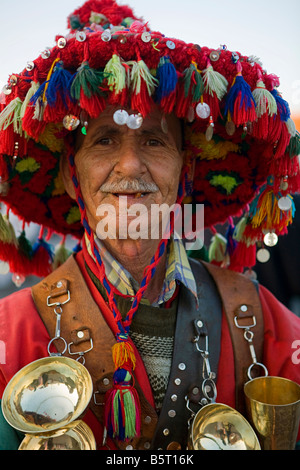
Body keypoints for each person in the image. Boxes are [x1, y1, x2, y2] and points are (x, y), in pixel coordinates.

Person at [0, 0, 299, 451]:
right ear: (69, 172)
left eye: (154, 140)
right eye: (104, 140)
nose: (131, 165)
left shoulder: (261, 320)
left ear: (188, 169)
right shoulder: (13, 332)